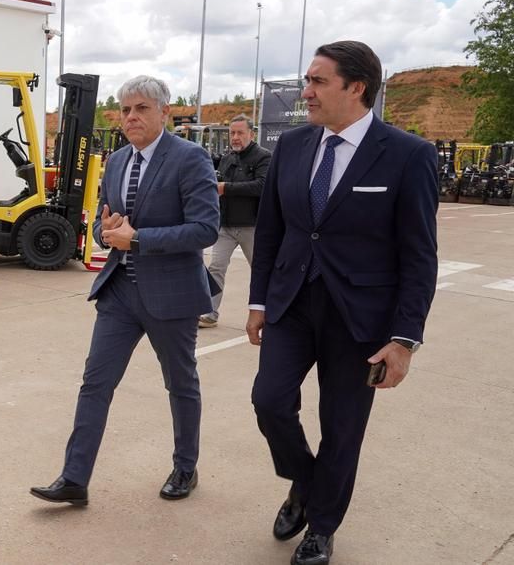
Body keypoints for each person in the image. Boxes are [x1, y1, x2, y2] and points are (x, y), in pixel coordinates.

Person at [247, 41, 437, 565]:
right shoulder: (293, 145)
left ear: (356, 87)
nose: (306, 92)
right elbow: (271, 232)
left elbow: (419, 256)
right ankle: (305, 482)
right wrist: (259, 301)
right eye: (307, 81)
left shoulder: (408, 155)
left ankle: (322, 527)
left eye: (318, 81)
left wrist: (404, 340)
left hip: (360, 320)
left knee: (342, 426)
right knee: (269, 401)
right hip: (292, 303)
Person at [31, 76, 220, 506]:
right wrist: (106, 231)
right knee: (95, 383)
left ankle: (185, 467)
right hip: (119, 292)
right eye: (125, 109)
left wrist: (138, 239)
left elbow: (205, 228)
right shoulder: (116, 161)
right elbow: (104, 226)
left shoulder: (189, 158)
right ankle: (74, 478)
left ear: (164, 112)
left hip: (170, 294)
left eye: (141, 109)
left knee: (180, 383)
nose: (131, 117)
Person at [199, 114, 271, 328]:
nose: (236, 137)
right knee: (216, 268)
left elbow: (262, 186)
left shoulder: (264, 157)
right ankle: (210, 313)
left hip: (252, 226)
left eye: (240, 133)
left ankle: (271, 313)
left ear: (251, 134)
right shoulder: (227, 158)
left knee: (261, 271)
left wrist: (225, 188)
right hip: (226, 226)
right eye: (232, 133)